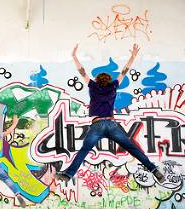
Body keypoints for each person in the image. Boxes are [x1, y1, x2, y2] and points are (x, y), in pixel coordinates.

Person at [54, 44, 165, 183]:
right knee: (131, 148)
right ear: (109, 80)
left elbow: (82, 71)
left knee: (85, 150)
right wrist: (133, 57)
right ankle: (154, 170)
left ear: (97, 80)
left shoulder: (93, 87)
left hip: (97, 125)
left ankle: (68, 174)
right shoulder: (114, 86)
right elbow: (124, 71)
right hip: (112, 124)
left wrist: (74, 56)